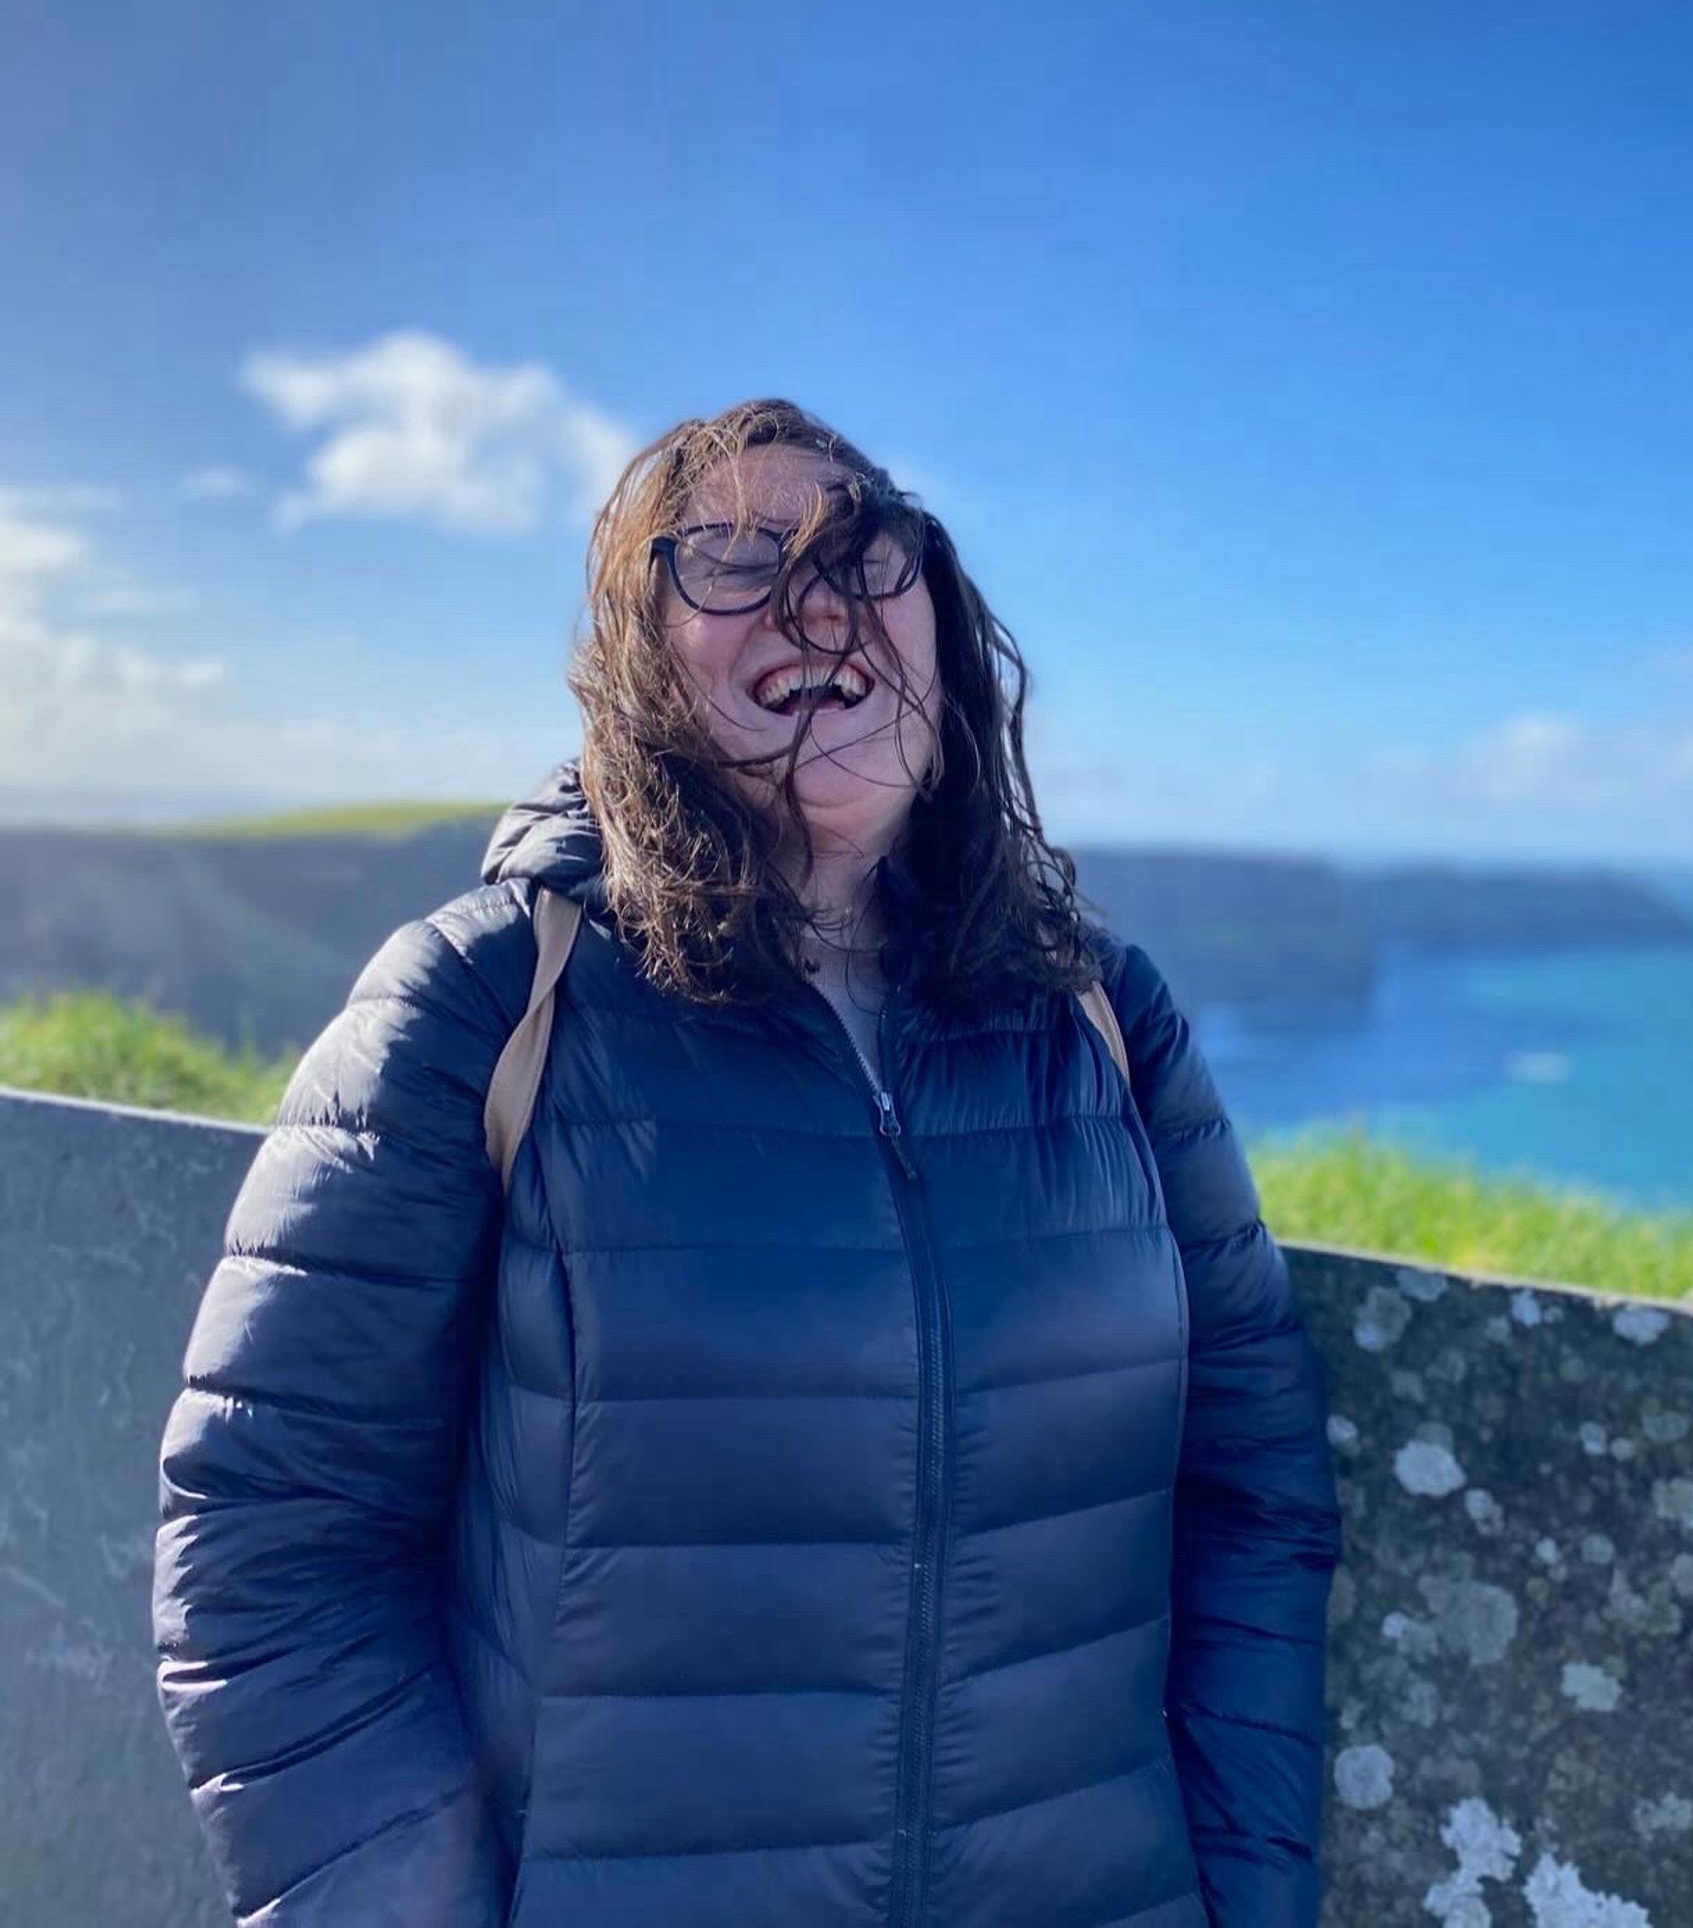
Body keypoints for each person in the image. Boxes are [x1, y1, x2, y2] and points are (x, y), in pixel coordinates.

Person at [152, 398, 1344, 1927]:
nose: (816, 595)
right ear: (634, 660)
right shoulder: (483, 1003)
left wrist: (1245, 1906)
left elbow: (1251, 1494)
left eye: (867, 549)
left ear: (945, 628)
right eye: (730, 554)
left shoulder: (1105, 1017)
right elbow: (268, 1547)